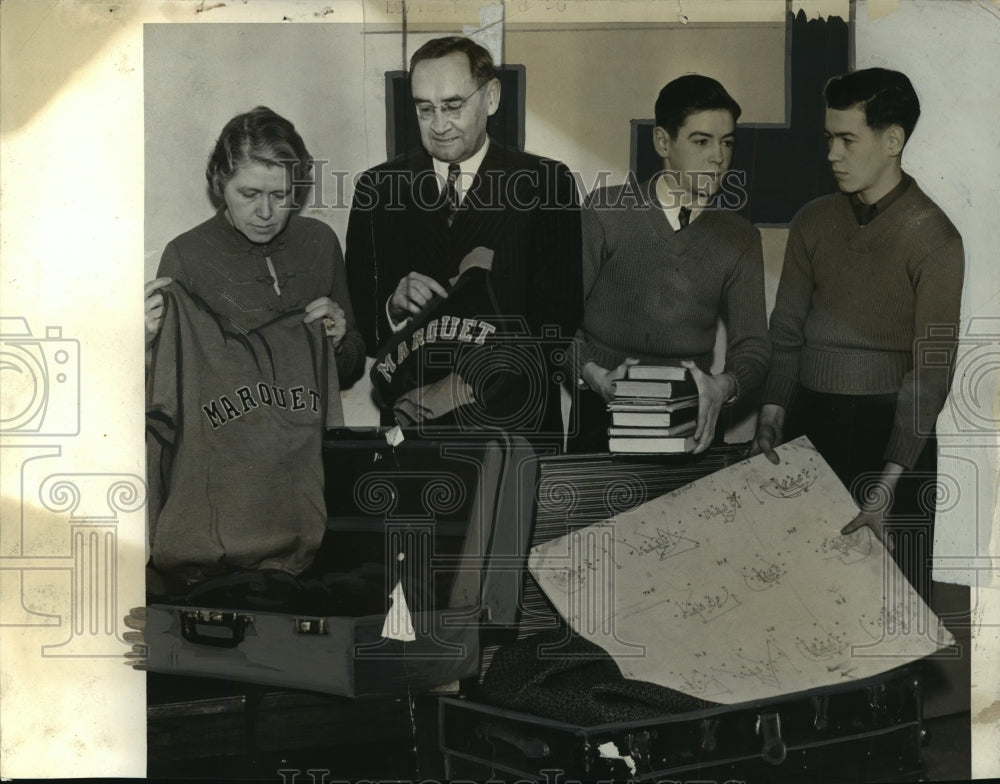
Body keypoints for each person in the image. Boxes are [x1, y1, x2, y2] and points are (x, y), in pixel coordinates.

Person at [751, 68, 964, 600]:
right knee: (802, 601)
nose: (833, 154)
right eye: (829, 139)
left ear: (893, 140)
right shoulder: (812, 222)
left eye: (848, 139)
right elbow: (787, 332)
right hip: (808, 426)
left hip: (891, 439)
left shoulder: (935, 237)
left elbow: (930, 372)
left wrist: (888, 484)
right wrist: (771, 420)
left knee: (891, 607)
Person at [143, 106, 366, 592]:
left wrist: (339, 336)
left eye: (281, 196)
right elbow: (164, 397)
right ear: (220, 183)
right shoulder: (186, 255)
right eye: (250, 194)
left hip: (303, 492)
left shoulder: (319, 243)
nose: (266, 212)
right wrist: (141, 343)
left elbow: (348, 368)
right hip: (223, 503)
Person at [345, 36, 582, 448]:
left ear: (490, 97)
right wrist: (392, 305)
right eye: (424, 109)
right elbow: (360, 316)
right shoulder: (377, 188)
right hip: (414, 429)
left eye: (453, 106)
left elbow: (557, 321)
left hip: (514, 427)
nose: (439, 124)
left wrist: (458, 388)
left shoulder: (547, 183)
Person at [569, 74, 770, 454]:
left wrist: (723, 386)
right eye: (701, 141)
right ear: (663, 142)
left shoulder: (741, 238)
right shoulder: (605, 211)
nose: (718, 157)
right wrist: (593, 376)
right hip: (601, 413)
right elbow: (557, 321)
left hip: (693, 417)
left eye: (727, 142)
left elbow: (754, 346)